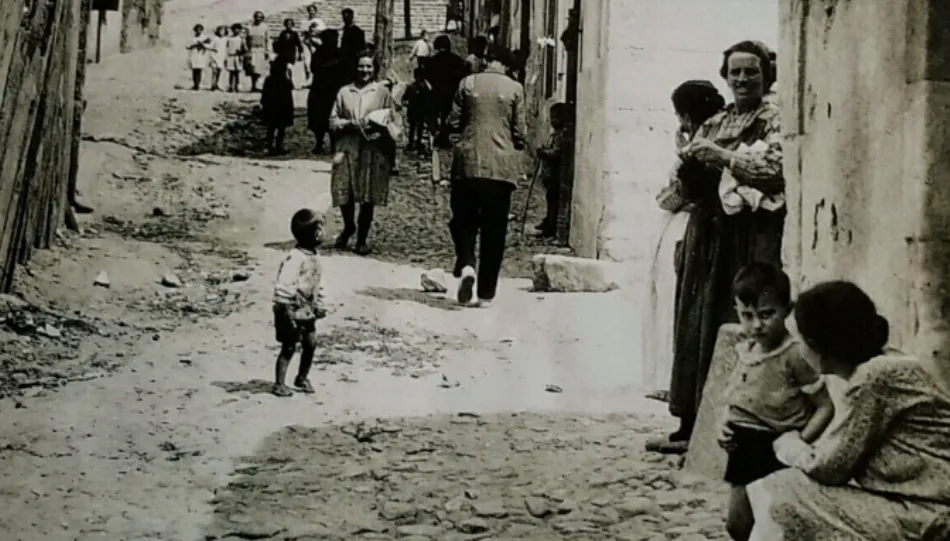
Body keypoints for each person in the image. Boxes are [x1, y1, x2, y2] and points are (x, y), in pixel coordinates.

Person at [646, 40, 785, 455]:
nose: (743, 79)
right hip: (705, 233)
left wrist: (720, 157)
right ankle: (691, 423)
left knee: (741, 320)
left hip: (748, 236)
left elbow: (774, 170)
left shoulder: (773, 120)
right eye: (736, 72)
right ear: (725, 77)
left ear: (766, 76)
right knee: (694, 325)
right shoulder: (716, 120)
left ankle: (737, 429)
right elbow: (681, 179)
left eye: (752, 72)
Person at [743, 280, 950, 541]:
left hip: (931, 514)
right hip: (922, 507)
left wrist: (791, 446)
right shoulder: (883, 368)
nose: (798, 349)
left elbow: (831, 467)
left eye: (800, 340)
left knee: (786, 490)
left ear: (821, 346)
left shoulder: (875, 377)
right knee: (787, 491)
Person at [718, 263, 835, 541]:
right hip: (743, 446)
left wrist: (799, 442)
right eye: (747, 315)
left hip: (776, 448)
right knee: (737, 525)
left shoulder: (793, 355)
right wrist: (724, 422)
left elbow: (825, 406)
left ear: (787, 309)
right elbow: (737, 396)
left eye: (767, 314)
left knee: (773, 525)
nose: (756, 325)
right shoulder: (746, 350)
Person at [642, 80, 725, 403]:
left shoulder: (698, 145)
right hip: (688, 222)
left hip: (686, 224)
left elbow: (676, 194)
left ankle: (671, 374)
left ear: (687, 116)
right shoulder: (710, 135)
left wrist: (668, 195)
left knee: (673, 298)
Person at [444, 45, 526, 308]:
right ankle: (486, 293)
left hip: (467, 164)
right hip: (500, 169)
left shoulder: (467, 83)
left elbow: (453, 122)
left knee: (463, 220)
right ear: (506, 65)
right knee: (495, 230)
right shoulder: (515, 89)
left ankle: (467, 263)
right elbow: (520, 132)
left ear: (487, 61)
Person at [329, 51, 398, 255]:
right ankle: (349, 225)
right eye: (361, 66)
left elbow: (393, 120)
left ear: (374, 69)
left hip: (372, 148)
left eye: (369, 66)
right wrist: (348, 124)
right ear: (355, 67)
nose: (365, 70)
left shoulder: (382, 93)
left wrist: (380, 127)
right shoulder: (344, 92)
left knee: (367, 194)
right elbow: (332, 121)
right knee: (345, 190)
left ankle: (361, 237)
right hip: (347, 147)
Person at [272, 208, 327, 397]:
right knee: (288, 346)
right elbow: (284, 284)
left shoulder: (314, 257)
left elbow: (318, 282)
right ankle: (279, 383)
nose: (322, 233)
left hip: (306, 309)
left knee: (310, 343)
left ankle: (302, 377)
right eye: (319, 230)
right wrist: (285, 308)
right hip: (291, 307)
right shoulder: (295, 258)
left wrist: (319, 303)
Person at [533, 101, 570, 238]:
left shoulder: (562, 135)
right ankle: (548, 220)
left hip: (556, 175)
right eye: (552, 117)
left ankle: (551, 224)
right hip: (550, 174)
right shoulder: (555, 134)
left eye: (556, 118)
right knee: (550, 199)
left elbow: (557, 154)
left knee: (554, 200)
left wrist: (543, 152)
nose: (553, 121)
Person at [307, 29, 344, 154]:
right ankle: (319, 143)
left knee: (334, 117)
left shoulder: (339, 53)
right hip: (320, 89)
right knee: (318, 117)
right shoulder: (319, 53)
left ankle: (334, 144)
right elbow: (313, 68)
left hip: (334, 90)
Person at [425, 35, 467, 136]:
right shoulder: (457, 60)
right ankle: (445, 131)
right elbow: (462, 76)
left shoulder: (432, 61)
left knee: (434, 113)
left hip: (437, 92)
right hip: (452, 92)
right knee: (448, 114)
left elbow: (428, 77)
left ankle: (435, 132)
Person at [261, 59, 295, 156]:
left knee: (270, 128)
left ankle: (270, 147)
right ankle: (278, 147)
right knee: (281, 129)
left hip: (271, 107)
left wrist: (264, 104)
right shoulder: (286, 81)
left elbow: (264, 94)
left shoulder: (269, 80)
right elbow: (290, 93)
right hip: (283, 108)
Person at [402, 67, 435, 153]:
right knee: (414, 127)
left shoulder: (424, 88)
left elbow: (428, 100)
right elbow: (405, 97)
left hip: (419, 111)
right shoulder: (414, 87)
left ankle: (416, 143)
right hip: (415, 110)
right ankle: (412, 143)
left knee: (418, 127)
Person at [245, 11, 271, 92]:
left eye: (260, 17)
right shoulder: (250, 27)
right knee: (252, 68)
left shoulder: (265, 27)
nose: (258, 18)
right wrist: (247, 50)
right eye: (257, 16)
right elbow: (246, 39)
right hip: (252, 49)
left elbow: (268, 40)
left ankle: (257, 85)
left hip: (261, 49)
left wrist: (268, 50)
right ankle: (253, 86)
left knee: (259, 69)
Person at [186, 24, 212, 91]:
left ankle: (198, 84)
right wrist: (194, 45)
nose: (198, 31)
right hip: (194, 54)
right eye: (197, 30)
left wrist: (202, 44)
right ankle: (195, 84)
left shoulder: (204, 37)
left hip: (201, 55)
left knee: (199, 70)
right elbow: (188, 46)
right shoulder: (192, 38)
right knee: (194, 70)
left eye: (200, 30)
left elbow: (208, 45)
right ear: (195, 30)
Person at [339, 8, 366, 73]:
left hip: (353, 59)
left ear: (352, 17)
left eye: (348, 17)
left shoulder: (358, 31)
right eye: (344, 17)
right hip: (344, 59)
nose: (345, 19)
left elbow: (361, 47)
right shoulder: (343, 30)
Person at [224, 23, 246, 92]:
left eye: (238, 29)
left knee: (237, 73)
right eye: (234, 29)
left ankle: (237, 86)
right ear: (232, 30)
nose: (236, 30)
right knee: (231, 72)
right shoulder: (229, 38)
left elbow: (245, 49)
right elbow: (226, 47)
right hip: (231, 56)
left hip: (238, 57)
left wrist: (240, 52)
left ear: (240, 30)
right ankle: (230, 86)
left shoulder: (241, 38)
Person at [208, 26, 228, 91]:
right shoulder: (215, 38)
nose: (221, 32)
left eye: (223, 31)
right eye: (220, 31)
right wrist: (214, 49)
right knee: (214, 71)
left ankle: (217, 84)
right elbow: (210, 46)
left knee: (219, 71)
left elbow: (226, 47)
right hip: (214, 56)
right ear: (217, 31)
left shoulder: (225, 39)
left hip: (221, 57)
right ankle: (213, 85)